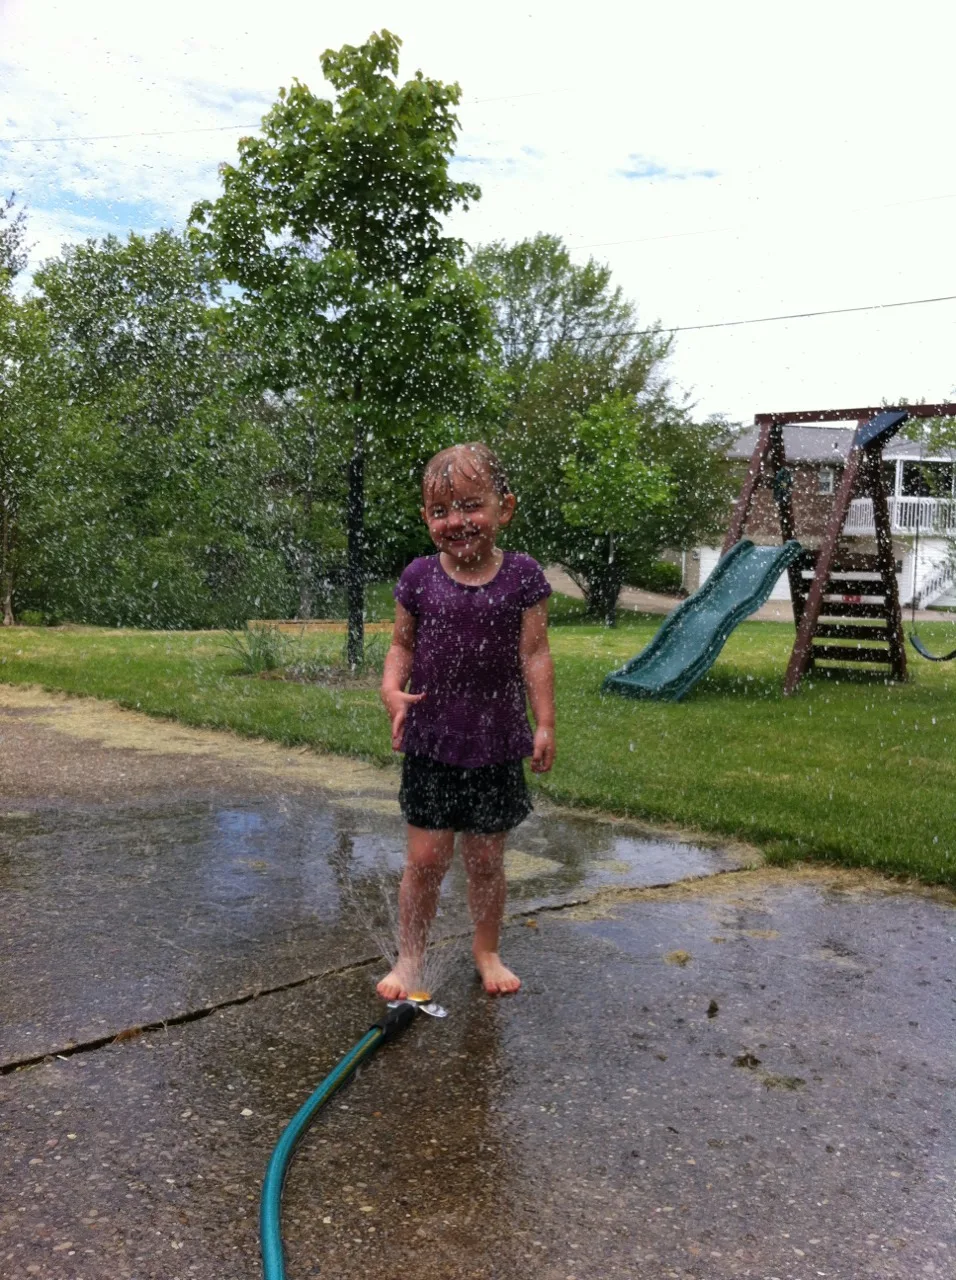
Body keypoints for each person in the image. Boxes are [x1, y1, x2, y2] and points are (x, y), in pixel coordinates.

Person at [377, 442, 556, 999]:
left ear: (506, 507)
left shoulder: (523, 577)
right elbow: (401, 647)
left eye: (471, 505)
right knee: (425, 860)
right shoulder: (418, 578)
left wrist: (544, 723)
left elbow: (535, 654)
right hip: (432, 741)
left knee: (485, 860)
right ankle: (410, 958)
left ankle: (486, 948)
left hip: (496, 743)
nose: (456, 521)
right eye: (440, 511)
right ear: (425, 518)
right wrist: (391, 689)